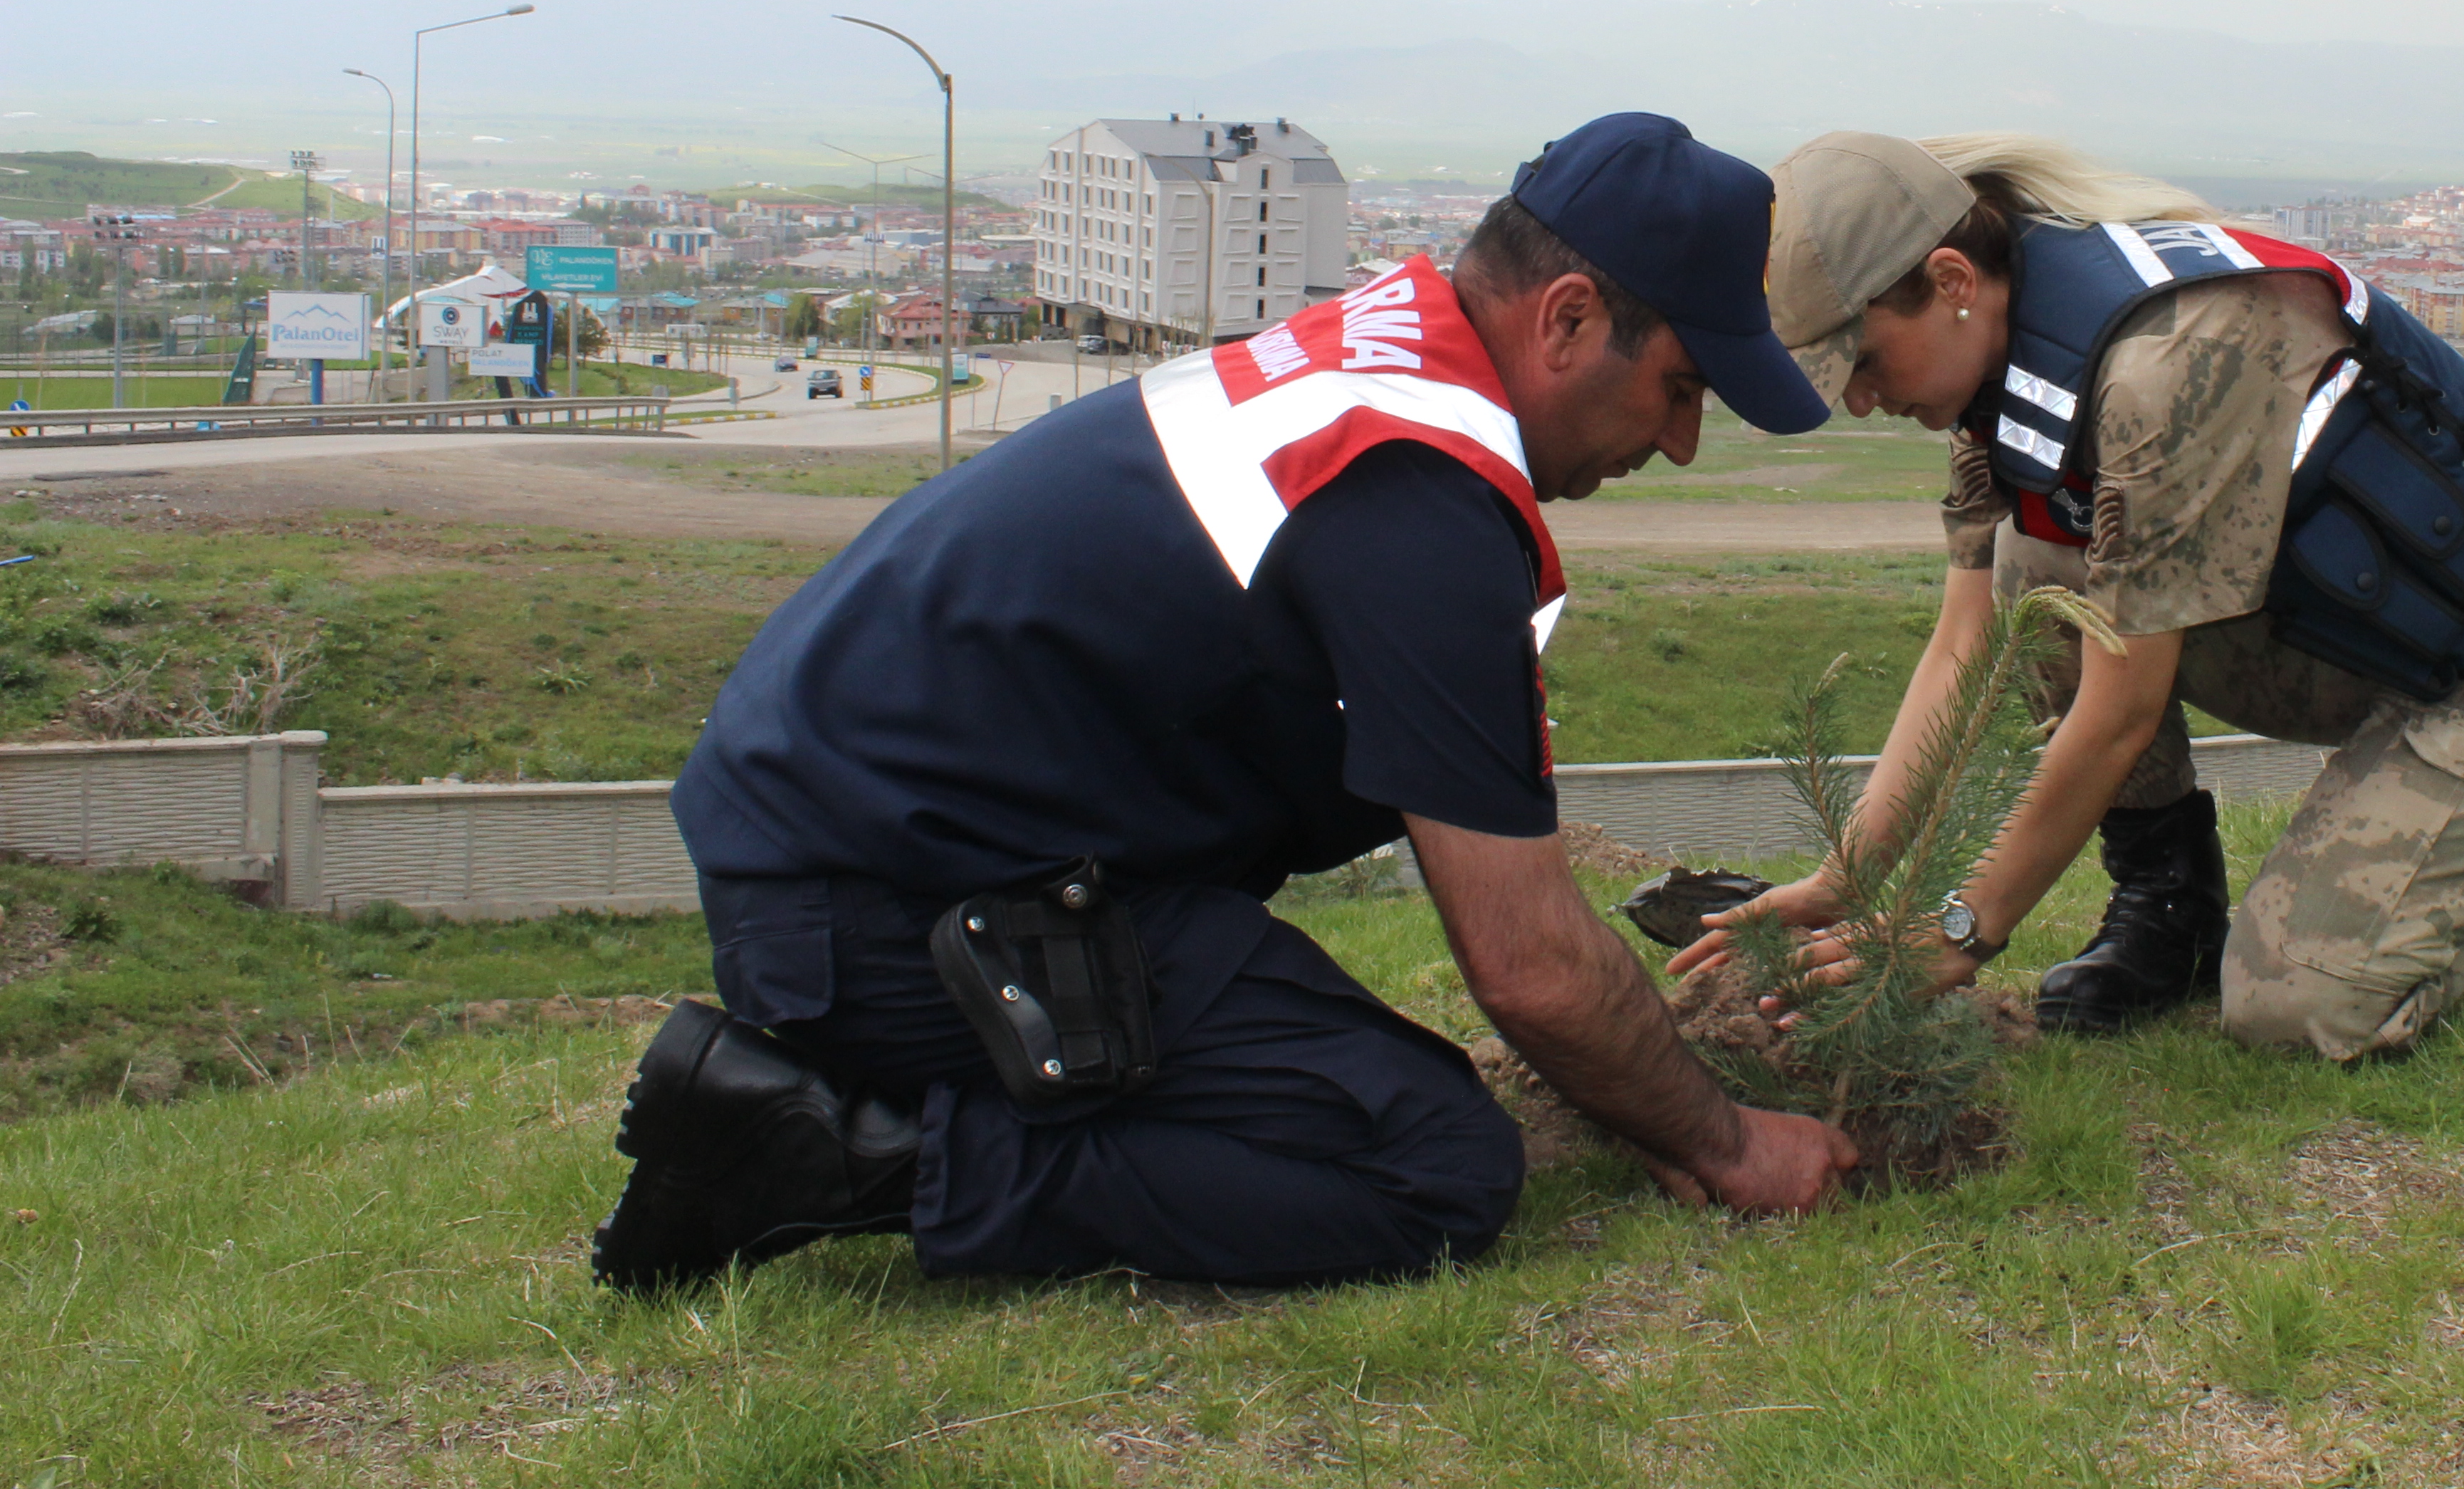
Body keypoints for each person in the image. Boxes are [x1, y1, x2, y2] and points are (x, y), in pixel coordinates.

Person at [592, 113, 1861, 1294]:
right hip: (880, 914)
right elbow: (1528, 966)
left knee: (1352, 1093)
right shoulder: (1414, 491)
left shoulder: (1383, 359)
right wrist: (1727, 1140)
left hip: (874, 847)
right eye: (1684, 389)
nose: (1683, 444)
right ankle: (834, 1158)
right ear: (1569, 319)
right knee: (1432, 1168)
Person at [1689, 131, 2464, 1062]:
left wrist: (1956, 932)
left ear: (1950, 284)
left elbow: (2119, 711)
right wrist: (1844, 878)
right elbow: (1965, 646)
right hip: (2347, 639)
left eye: (1863, 363)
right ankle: (2169, 914)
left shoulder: (2164, 369)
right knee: (2037, 571)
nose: (1858, 401)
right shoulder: (1999, 378)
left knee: (2289, 1008)